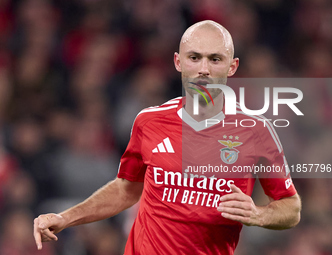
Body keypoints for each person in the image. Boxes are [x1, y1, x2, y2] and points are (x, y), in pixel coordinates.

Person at [33, 20, 301, 255]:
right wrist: (65, 217)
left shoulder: (255, 131)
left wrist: (259, 214)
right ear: (178, 61)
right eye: (194, 57)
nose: (203, 69)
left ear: (232, 67)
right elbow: (127, 188)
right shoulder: (149, 121)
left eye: (215, 59)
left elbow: (291, 206)